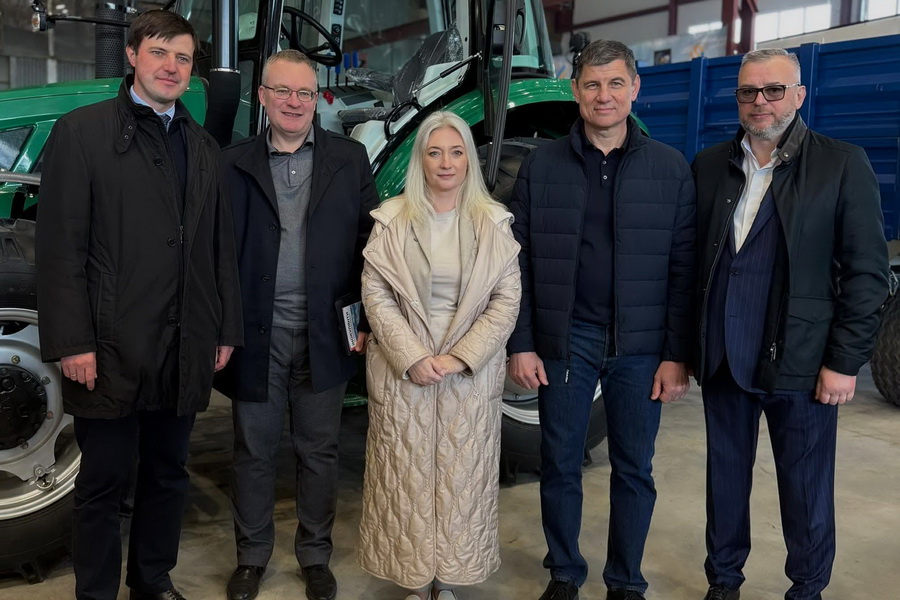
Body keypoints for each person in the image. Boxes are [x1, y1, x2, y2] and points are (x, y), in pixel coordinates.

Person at [34, 10, 242, 600]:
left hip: (184, 342)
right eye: (159, 52)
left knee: (167, 473)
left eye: (183, 57)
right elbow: (60, 248)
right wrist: (73, 342)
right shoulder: (82, 133)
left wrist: (224, 328)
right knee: (103, 481)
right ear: (131, 55)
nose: (171, 66)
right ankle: (97, 592)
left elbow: (218, 248)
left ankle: (152, 580)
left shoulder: (203, 147)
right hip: (108, 346)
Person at [692, 48, 889, 600]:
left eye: (773, 90)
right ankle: (723, 584)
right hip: (724, 356)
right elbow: (692, 265)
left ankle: (807, 589)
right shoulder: (709, 166)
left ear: (799, 95)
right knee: (724, 483)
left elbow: (868, 274)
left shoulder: (841, 164)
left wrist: (843, 362)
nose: (760, 101)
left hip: (802, 360)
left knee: (805, 488)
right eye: (748, 91)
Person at [507, 40, 696, 600]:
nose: (603, 95)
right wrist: (522, 342)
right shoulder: (542, 166)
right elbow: (516, 261)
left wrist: (676, 354)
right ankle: (565, 573)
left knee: (634, 468)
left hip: (641, 347)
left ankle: (625, 582)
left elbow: (684, 268)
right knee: (559, 462)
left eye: (615, 83)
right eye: (592, 84)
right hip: (567, 340)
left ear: (635, 88)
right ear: (575, 91)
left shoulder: (669, 168)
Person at [218, 49, 378, 600]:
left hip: (324, 333)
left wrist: (363, 319)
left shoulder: (349, 159)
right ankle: (251, 557)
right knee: (253, 451)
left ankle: (315, 556)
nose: (294, 102)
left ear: (317, 99)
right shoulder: (232, 164)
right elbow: (215, 255)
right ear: (262, 96)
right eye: (283, 91)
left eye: (305, 92)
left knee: (319, 451)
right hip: (255, 335)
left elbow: (371, 246)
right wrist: (222, 328)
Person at [357, 110, 521, 600]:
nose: (446, 163)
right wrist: (411, 355)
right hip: (403, 374)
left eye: (455, 152)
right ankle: (415, 581)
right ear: (421, 160)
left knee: (459, 484)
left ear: (469, 159)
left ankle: (446, 581)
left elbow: (506, 300)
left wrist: (459, 358)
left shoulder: (494, 223)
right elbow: (376, 293)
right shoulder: (391, 220)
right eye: (434, 153)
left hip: (467, 377)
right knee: (405, 484)